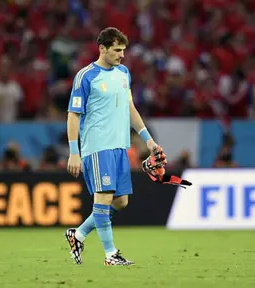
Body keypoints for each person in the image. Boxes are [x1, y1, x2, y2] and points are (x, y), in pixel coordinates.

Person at [65, 27, 166, 266]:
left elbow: (130, 109)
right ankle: (111, 255)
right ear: (102, 49)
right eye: (117, 50)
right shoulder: (86, 76)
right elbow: (73, 115)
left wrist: (149, 140)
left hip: (121, 146)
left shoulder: (123, 73)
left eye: (123, 50)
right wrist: (73, 152)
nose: (122, 55)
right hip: (98, 146)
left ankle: (77, 235)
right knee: (103, 198)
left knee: (120, 202)